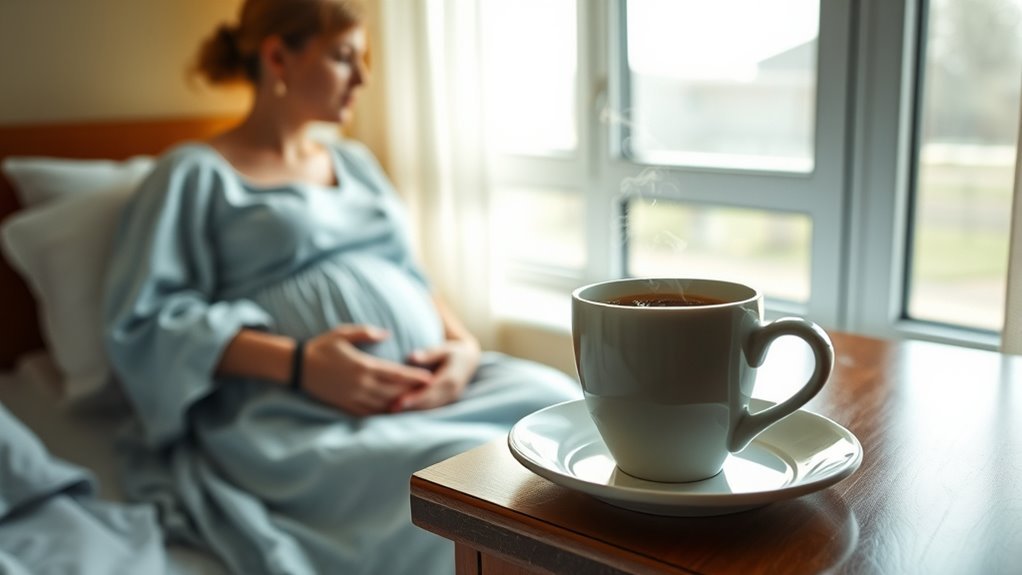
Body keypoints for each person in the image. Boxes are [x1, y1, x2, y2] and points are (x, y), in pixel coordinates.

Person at [100, 1, 581, 573]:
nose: (363, 77)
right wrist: (302, 364)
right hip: (297, 412)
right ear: (278, 55)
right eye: (342, 57)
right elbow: (147, 322)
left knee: (556, 408)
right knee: (451, 475)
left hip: (430, 388)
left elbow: (411, 277)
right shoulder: (193, 174)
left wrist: (463, 350)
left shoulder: (355, 163)